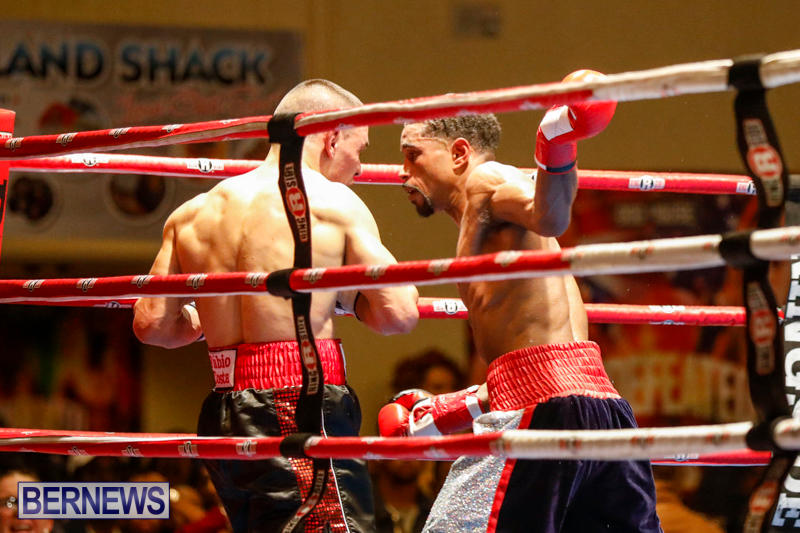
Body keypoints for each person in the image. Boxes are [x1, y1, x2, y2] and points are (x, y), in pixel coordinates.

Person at [133, 79, 419, 533]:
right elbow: (399, 314)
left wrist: (206, 319)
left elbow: (152, 324)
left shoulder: (193, 212)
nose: (361, 167)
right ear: (332, 138)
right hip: (299, 401)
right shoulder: (330, 201)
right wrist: (349, 299)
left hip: (223, 409)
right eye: (359, 148)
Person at [380, 70, 661, 532]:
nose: (402, 171)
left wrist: (556, 137)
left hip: (541, 412)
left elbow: (548, 214)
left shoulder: (485, 181)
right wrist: (448, 410)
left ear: (459, 153)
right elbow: (536, 363)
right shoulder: (497, 239)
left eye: (413, 155)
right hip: (603, 409)